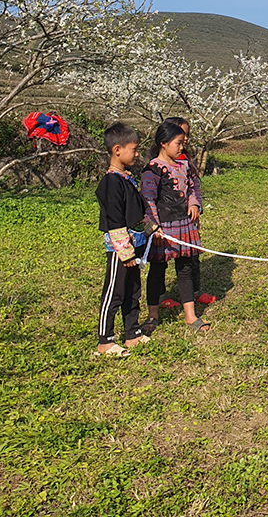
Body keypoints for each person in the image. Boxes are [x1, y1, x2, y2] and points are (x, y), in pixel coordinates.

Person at [141, 121, 210, 335]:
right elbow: (148, 199)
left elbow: (191, 189)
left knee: (185, 268)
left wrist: (193, 203)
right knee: (157, 269)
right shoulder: (152, 169)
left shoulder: (184, 165)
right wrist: (153, 227)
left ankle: (190, 314)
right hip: (163, 228)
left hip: (183, 225)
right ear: (163, 143)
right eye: (178, 143)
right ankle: (153, 314)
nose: (182, 147)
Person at [94, 122, 154, 357]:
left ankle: (132, 333)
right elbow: (115, 219)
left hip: (135, 244)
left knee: (133, 290)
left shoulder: (127, 178)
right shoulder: (111, 183)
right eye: (134, 149)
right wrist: (125, 252)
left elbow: (136, 213)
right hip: (122, 249)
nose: (137, 154)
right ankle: (105, 340)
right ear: (117, 149)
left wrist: (151, 228)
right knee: (114, 291)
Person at [163, 116, 216, 307]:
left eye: (186, 134)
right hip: (168, 219)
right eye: (181, 134)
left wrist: (196, 207)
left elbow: (194, 186)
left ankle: (195, 291)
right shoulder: (158, 163)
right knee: (162, 258)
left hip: (187, 218)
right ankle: (161, 295)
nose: (185, 139)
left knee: (192, 255)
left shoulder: (187, 159)